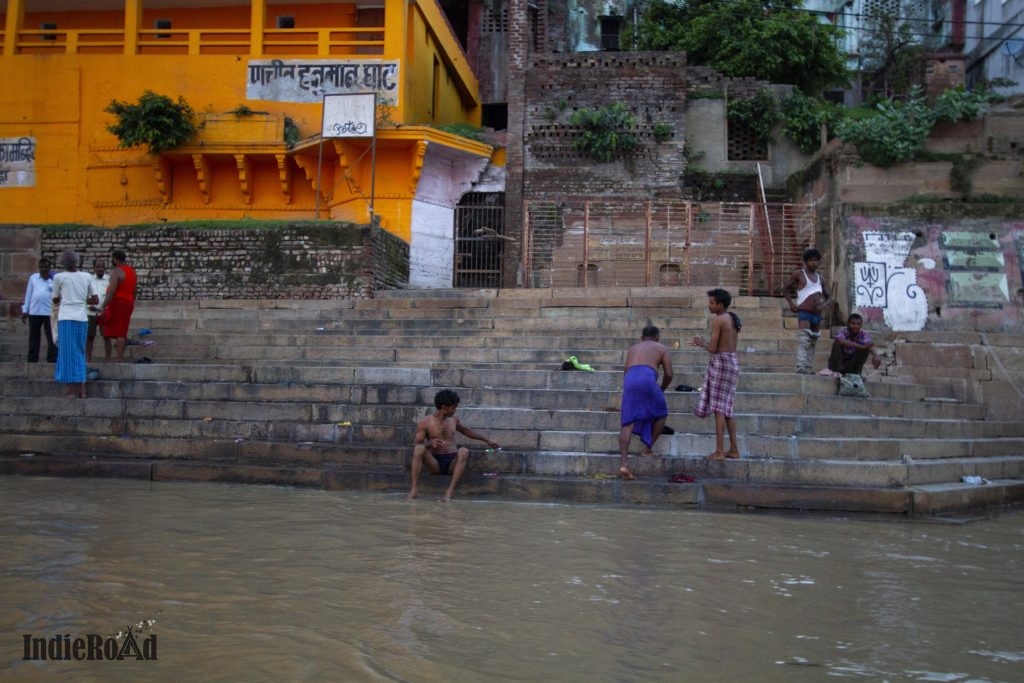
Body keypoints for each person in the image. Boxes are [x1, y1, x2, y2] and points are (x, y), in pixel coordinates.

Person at [407, 389, 499, 502]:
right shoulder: (426, 422)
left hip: (452, 463)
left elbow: (465, 431)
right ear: (444, 407)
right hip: (435, 463)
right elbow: (416, 444)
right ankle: (414, 490)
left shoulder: (454, 419)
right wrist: (429, 444)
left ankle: (449, 492)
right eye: (453, 408)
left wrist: (487, 440)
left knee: (464, 451)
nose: (455, 410)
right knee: (419, 449)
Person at [690, 288, 741, 461]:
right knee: (727, 409)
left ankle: (719, 450)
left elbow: (712, 349)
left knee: (719, 408)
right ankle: (733, 449)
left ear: (720, 304)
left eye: (712, 303)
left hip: (722, 362)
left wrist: (700, 342)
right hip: (732, 361)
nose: (709, 305)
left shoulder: (719, 319)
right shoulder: (732, 317)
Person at [618, 325, 674, 480]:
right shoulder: (661, 348)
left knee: (627, 422)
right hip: (648, 377)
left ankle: (624, 463)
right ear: (658, 338)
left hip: (630, 378)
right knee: (661, 413)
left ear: (642, 338)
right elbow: (669, 374)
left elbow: (626, 371)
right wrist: (662, 388)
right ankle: (647, 449)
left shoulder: (633, 348)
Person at [52, 250, 97, 398]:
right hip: (82, 318)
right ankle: (82, 388)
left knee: (66, 353)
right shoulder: (86, 276)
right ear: (77, 262)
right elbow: (95, 300)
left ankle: (71, 389)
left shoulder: (59, 277)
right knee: (79, 352)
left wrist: (66, 300)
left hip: (66, 318)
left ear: (62, 263)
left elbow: (55, 299)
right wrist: (81, 300)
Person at [783, 248, 834, 374]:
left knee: (813, 341)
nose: (814, 263)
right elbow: (785, 288)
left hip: (817, 314)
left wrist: (823, 305)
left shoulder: (821, 279)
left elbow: (829, 297)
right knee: (804, 339)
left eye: (816, 260)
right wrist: (791, 304)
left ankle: (809, 367)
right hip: (804, 312)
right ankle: (801, 366)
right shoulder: (799, 274)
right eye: (811, 260)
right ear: (805, 262)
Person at [100, 249, 138, 363]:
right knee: (121, 330)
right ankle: (118, 357)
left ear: (115, 259)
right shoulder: (132, 271)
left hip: (118, 303)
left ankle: (119, 359)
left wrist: (103, 306)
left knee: (119, 332)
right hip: (128, 302)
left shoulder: (117, 271)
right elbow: (135, 291)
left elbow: (111, 291)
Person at [21, 258, 58, 363]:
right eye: (42, 267)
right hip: (34, 312)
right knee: (34, 337)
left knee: (51, 337)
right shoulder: (33, 278)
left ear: (49, 268)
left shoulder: (54, 280)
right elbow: (28, 295)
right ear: (39, 268)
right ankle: (32, 359)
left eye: (46, 267)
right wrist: (25, 310)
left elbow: (56, 294)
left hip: (48, 312)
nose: (44, 269)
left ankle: (52, 359)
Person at [86, 259, 111, 363]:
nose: (100, 269)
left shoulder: (109, 280)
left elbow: (111, 295)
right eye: (98, 267)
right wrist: (88, 305)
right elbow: (85, 295)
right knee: (90, 336)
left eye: (102, 267)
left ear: (104, 268)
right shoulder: (89, 280)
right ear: (94, 268)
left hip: (103, 313)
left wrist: (106, 308)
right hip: (90, 312)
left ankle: (108, 358)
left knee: (106, 336)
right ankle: (88, 358)